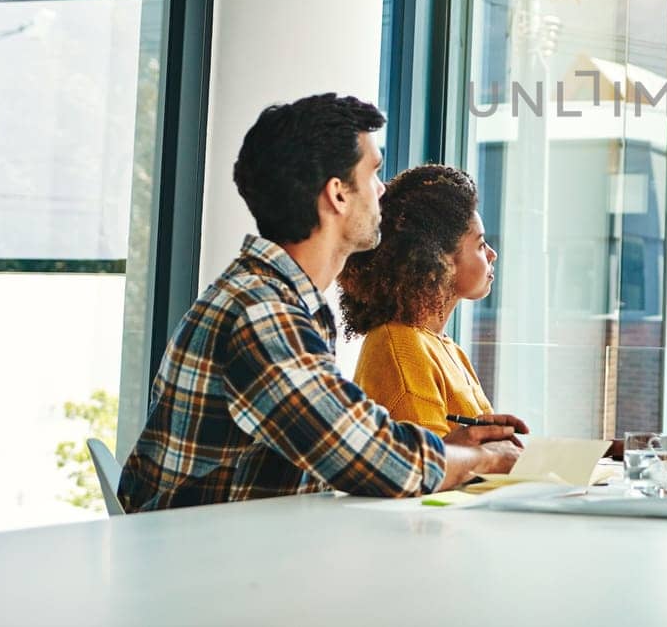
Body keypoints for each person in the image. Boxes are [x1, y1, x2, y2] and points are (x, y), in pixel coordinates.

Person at [118, 94, 525, 512]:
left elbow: (349, 440)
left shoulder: (279, 301)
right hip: (200, 565)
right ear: (338, 195)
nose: (382, 190)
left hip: (240, 553)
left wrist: (455, 447)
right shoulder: (262, 312)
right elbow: (373, 459)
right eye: (374, 173)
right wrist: (486, 458)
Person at [340, 164, 500, 437]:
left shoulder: (447, 349)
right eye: (480, 244)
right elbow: (430, 470)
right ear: (441, 258)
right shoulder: (399, 345)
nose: (492, 254)